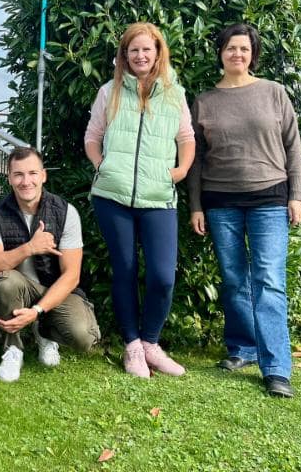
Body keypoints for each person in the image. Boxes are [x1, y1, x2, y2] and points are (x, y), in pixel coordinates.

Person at [187, 23, 301, 398]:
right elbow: (195, 160)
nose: (236, 54)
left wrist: (297, 195)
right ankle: (243, 347)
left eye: (244, 48)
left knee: (269, 280)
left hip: (270, 197)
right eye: (230, 48)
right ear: (220, 53)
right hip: (220, 201)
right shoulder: (204, 101)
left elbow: (293, 147)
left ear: (252, 54)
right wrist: (196, 205)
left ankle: (277, 368)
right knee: (234, 279)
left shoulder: (273, 92)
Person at [84, 22, 195, 378]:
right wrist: (103, 167)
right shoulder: (109, 92)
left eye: (147, 49)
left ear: (158, 52)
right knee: (125, 269)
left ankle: (151, 343)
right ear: (125, 55)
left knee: (162, 276)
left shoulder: (175, 94)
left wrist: (180, 171)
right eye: (134, 50)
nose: (140, 55)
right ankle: (132, 345)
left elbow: (186, 137)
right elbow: (92, 136)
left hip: (158, 197)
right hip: (112, 196)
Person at [0, 147, 101, 383]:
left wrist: (36, 311)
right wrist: (29, 248)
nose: (26, 181)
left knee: (84, 337)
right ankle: (13, 349)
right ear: (9, 178)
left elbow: (71, 276)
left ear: (43, 175)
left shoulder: (66, 212)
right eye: (18, 174)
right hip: (17, 287)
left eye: (32, 173)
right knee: (4, 281)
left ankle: (44, 333)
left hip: (54, 290)